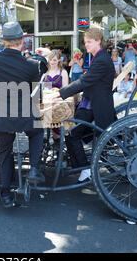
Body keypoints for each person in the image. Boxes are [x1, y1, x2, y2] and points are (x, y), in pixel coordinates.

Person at [0, 22, 45, 208]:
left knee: (4, 152)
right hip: (23, 112)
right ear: (22, 41)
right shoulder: (31, 65)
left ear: (4, 41)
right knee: (38, 131)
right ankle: (33, 168)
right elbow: (34, 91)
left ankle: (6, 194)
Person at [50, 27, 116, 183]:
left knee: (72, 134)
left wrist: (61, 93)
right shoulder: (98, 57)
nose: (86, 45)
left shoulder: (101, 59)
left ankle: (85, 169)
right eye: (85, 42)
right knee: (71, 133)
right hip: (91, 101)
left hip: (94, 105)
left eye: (89, 42)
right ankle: (79, 166)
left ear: (98, 41)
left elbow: (85, 81)